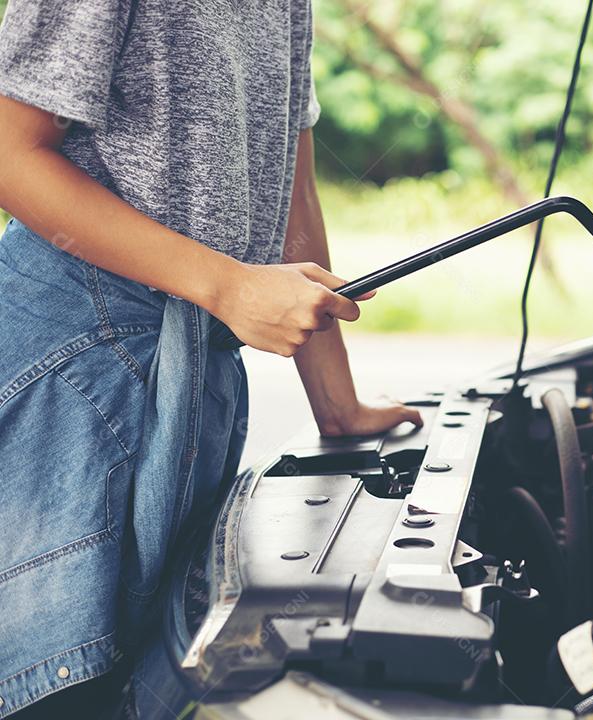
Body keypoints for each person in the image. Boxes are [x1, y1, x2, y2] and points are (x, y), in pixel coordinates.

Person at [0, 0, 422, 715]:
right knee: (54, 689)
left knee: (143, 687)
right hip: (73, 367)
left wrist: (338, 406)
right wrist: (227, 285)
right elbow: (10, 151)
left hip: (193, 369)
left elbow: (292, 190)